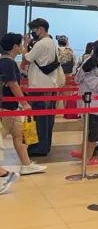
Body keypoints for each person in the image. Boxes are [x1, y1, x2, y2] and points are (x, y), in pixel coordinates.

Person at [1, 33, 47, 175]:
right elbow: (13, 84)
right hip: (5, 108)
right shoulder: (7, 62)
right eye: (21, 44)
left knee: (19, 135)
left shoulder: (7, 61)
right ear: (15, 46)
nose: (22, 47)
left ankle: (26, 164)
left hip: (12, 107)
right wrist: (25, 103)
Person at [20, 18, 59, 157]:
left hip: (39, 86)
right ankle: (45, 146)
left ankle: (37, 147)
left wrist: (25, 44)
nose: (33, 33)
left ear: (41, 29)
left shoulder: (41, 44)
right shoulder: (51, 42)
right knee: (47, 119)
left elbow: (26, 59)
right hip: (50, 85)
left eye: (34, 30)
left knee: (38, 119)